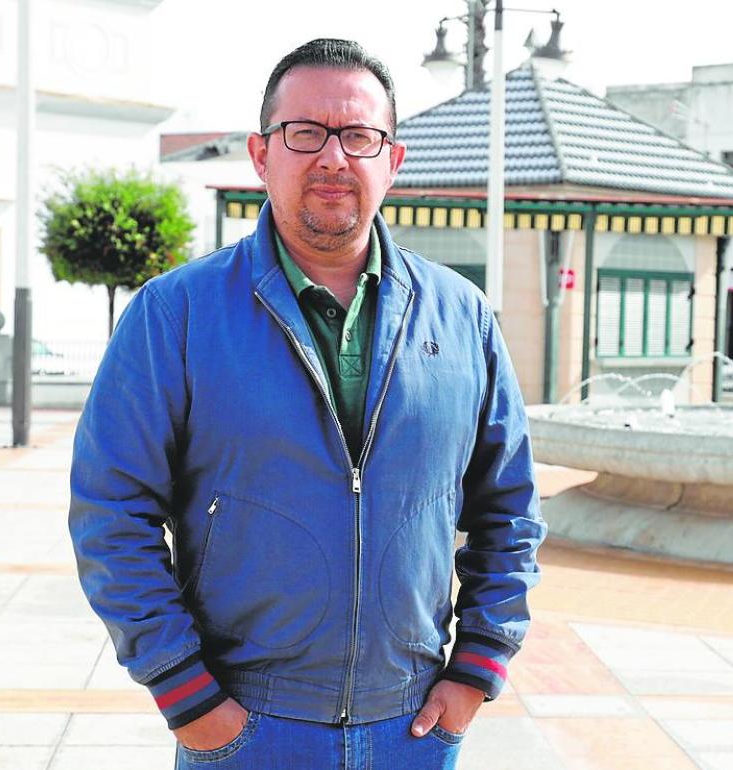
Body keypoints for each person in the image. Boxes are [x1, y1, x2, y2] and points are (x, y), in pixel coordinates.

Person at [68, 38, 546, 769]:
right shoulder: (176, 315)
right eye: (305, 133)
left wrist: (477, 668)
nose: (333, 157)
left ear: (394, 159)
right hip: (245, 728)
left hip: (414, 728)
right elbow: (111, 511)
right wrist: (187, 695)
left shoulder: (463, 317)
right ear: (262, 155)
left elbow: (509, 507)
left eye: (359, 135)